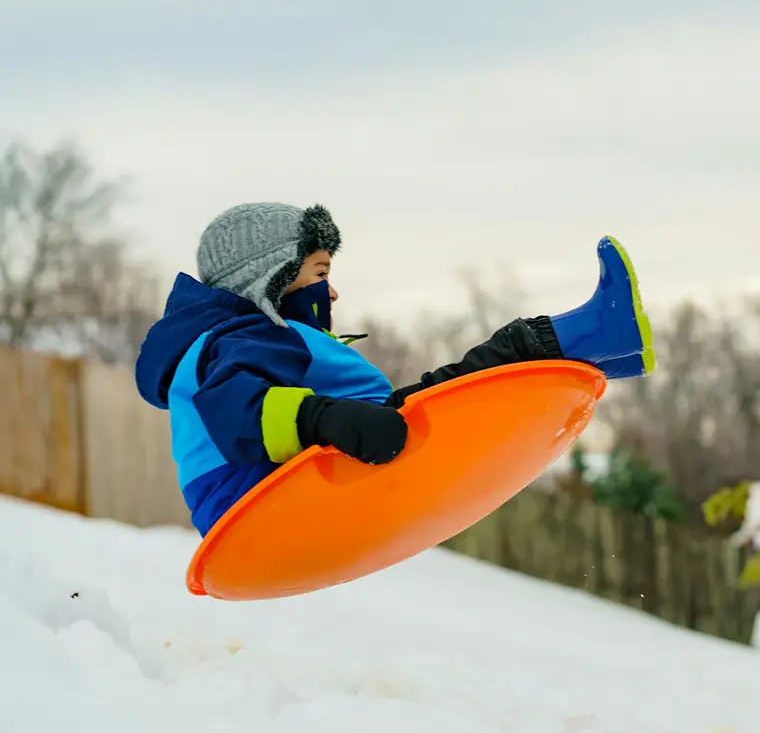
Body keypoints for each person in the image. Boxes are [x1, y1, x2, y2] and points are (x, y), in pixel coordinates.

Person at [135, 202, 654, 536]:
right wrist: (323, 418)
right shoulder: (242, 338)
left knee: (436, 397)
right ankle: (593, 332)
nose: (331, 291)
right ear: (271, 278)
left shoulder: (237, 339)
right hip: (256, 499)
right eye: (319, 272)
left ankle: (603, 348)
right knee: (451, 392)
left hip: (266, 494)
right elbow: (234, 410)